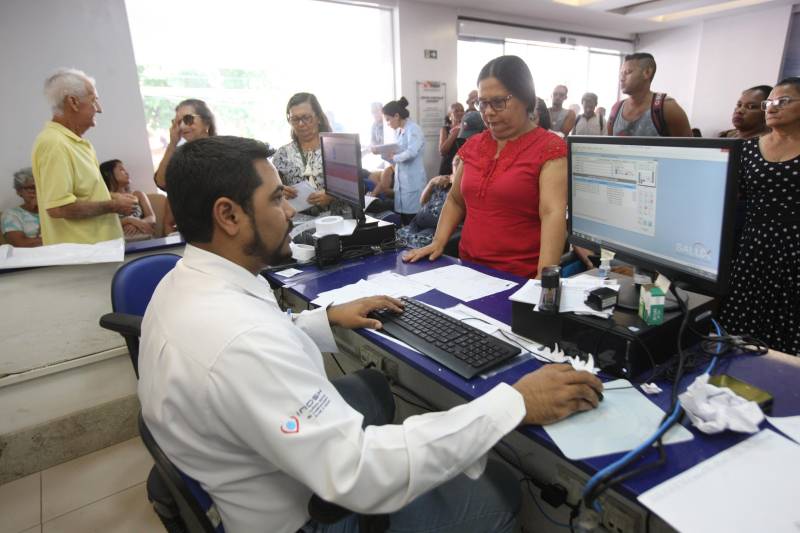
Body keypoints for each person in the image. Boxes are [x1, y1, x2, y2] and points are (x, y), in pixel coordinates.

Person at [138, 134, 603, 533]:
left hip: (254, 469)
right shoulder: (240, 342)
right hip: (308, 516)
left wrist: (327, 318)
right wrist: (515, 403)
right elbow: (360, 473)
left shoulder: (183, 284)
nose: (289, 210)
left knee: (375, 390)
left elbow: (256, 342)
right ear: (228, 215)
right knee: (499, 493)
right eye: (277, 198)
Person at [405, 55, 569, 279]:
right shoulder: (474, 145)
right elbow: (455, 200)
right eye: (483, 103)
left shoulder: (549, 148)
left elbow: (552, 214)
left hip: (518, 277)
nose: (489, 112)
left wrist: (543, 281)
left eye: (499, 102)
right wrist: (438, 242)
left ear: (525, 98)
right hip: (468, 270)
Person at [720, 77, 800, 356]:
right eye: (770, 102)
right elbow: (733, 198)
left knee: (787, 320)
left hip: (794, 249)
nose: (773, 107)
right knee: (743, 321)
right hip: (752, 245)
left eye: (784, 101)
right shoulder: (750, 149)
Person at [31, 68, 136, 245]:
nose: (99, 109)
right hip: (82, 257)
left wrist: (112, 197)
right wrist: (112, 206)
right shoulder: (54, 143)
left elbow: (82, 193)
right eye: (94, 101)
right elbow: (59, 207)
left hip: (99, 252)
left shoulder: (77, 142)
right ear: (73, 102)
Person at [272, 92, 348, 221]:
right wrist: (280, 192)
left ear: (318, 117)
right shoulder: (282, 154)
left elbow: (356, 188)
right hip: (299, 223)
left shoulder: (338, 148)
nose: (301, 124)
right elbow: (270, 191)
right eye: (295, 119)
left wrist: (333, 195)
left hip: (337, 220)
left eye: (306, 117)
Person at [154, 98, 217, 234]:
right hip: (190, 232)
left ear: (206, 123)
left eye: (188, 119)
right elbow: (161, 181)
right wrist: (172, 143)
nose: (182, 127)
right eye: (177, 122)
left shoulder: (223, 153)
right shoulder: (180, 155)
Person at [608, 53, 693, 137]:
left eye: (628, 72)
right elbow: (609, 145)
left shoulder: (668, 108)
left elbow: (688, 148)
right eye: (621, 73)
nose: (622, 78)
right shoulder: (616, 109)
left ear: (647, 72)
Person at [382, 97, 427, 223]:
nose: (388, 123)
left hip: (413, 182)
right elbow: (398, 151)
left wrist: (394, 157)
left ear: (396, 116)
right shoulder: (398, 131)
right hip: (402, 183)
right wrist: (385, 154)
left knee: (413, 220)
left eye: (388, 120)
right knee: (402, 220)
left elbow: (411, 152)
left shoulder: (413, 129)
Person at [99, 159, 156, 240]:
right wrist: (128, 220)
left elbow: (152, 218)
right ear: (108, 174)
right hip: (118, 241)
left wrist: (136, 223)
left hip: (143, 237)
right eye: (121, 170)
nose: (127, 173)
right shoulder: (104, 198)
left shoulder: (138, 194)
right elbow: (102, 226)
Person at [1, 168, 41, 247]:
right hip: (29, 257)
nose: (35, 191)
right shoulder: (11, 215)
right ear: (19, 192)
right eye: (30, 188)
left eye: (38, 186)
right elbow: (20, 244)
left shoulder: (53, 210)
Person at [438, 102, 465, 175]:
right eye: (456, 111)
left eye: (462, 110)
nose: (460, 113)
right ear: (450, 115)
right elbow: (442, 151)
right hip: (448, 167)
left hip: (463, 167)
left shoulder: (468, 129)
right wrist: (455, 132)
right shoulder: (445, 129)